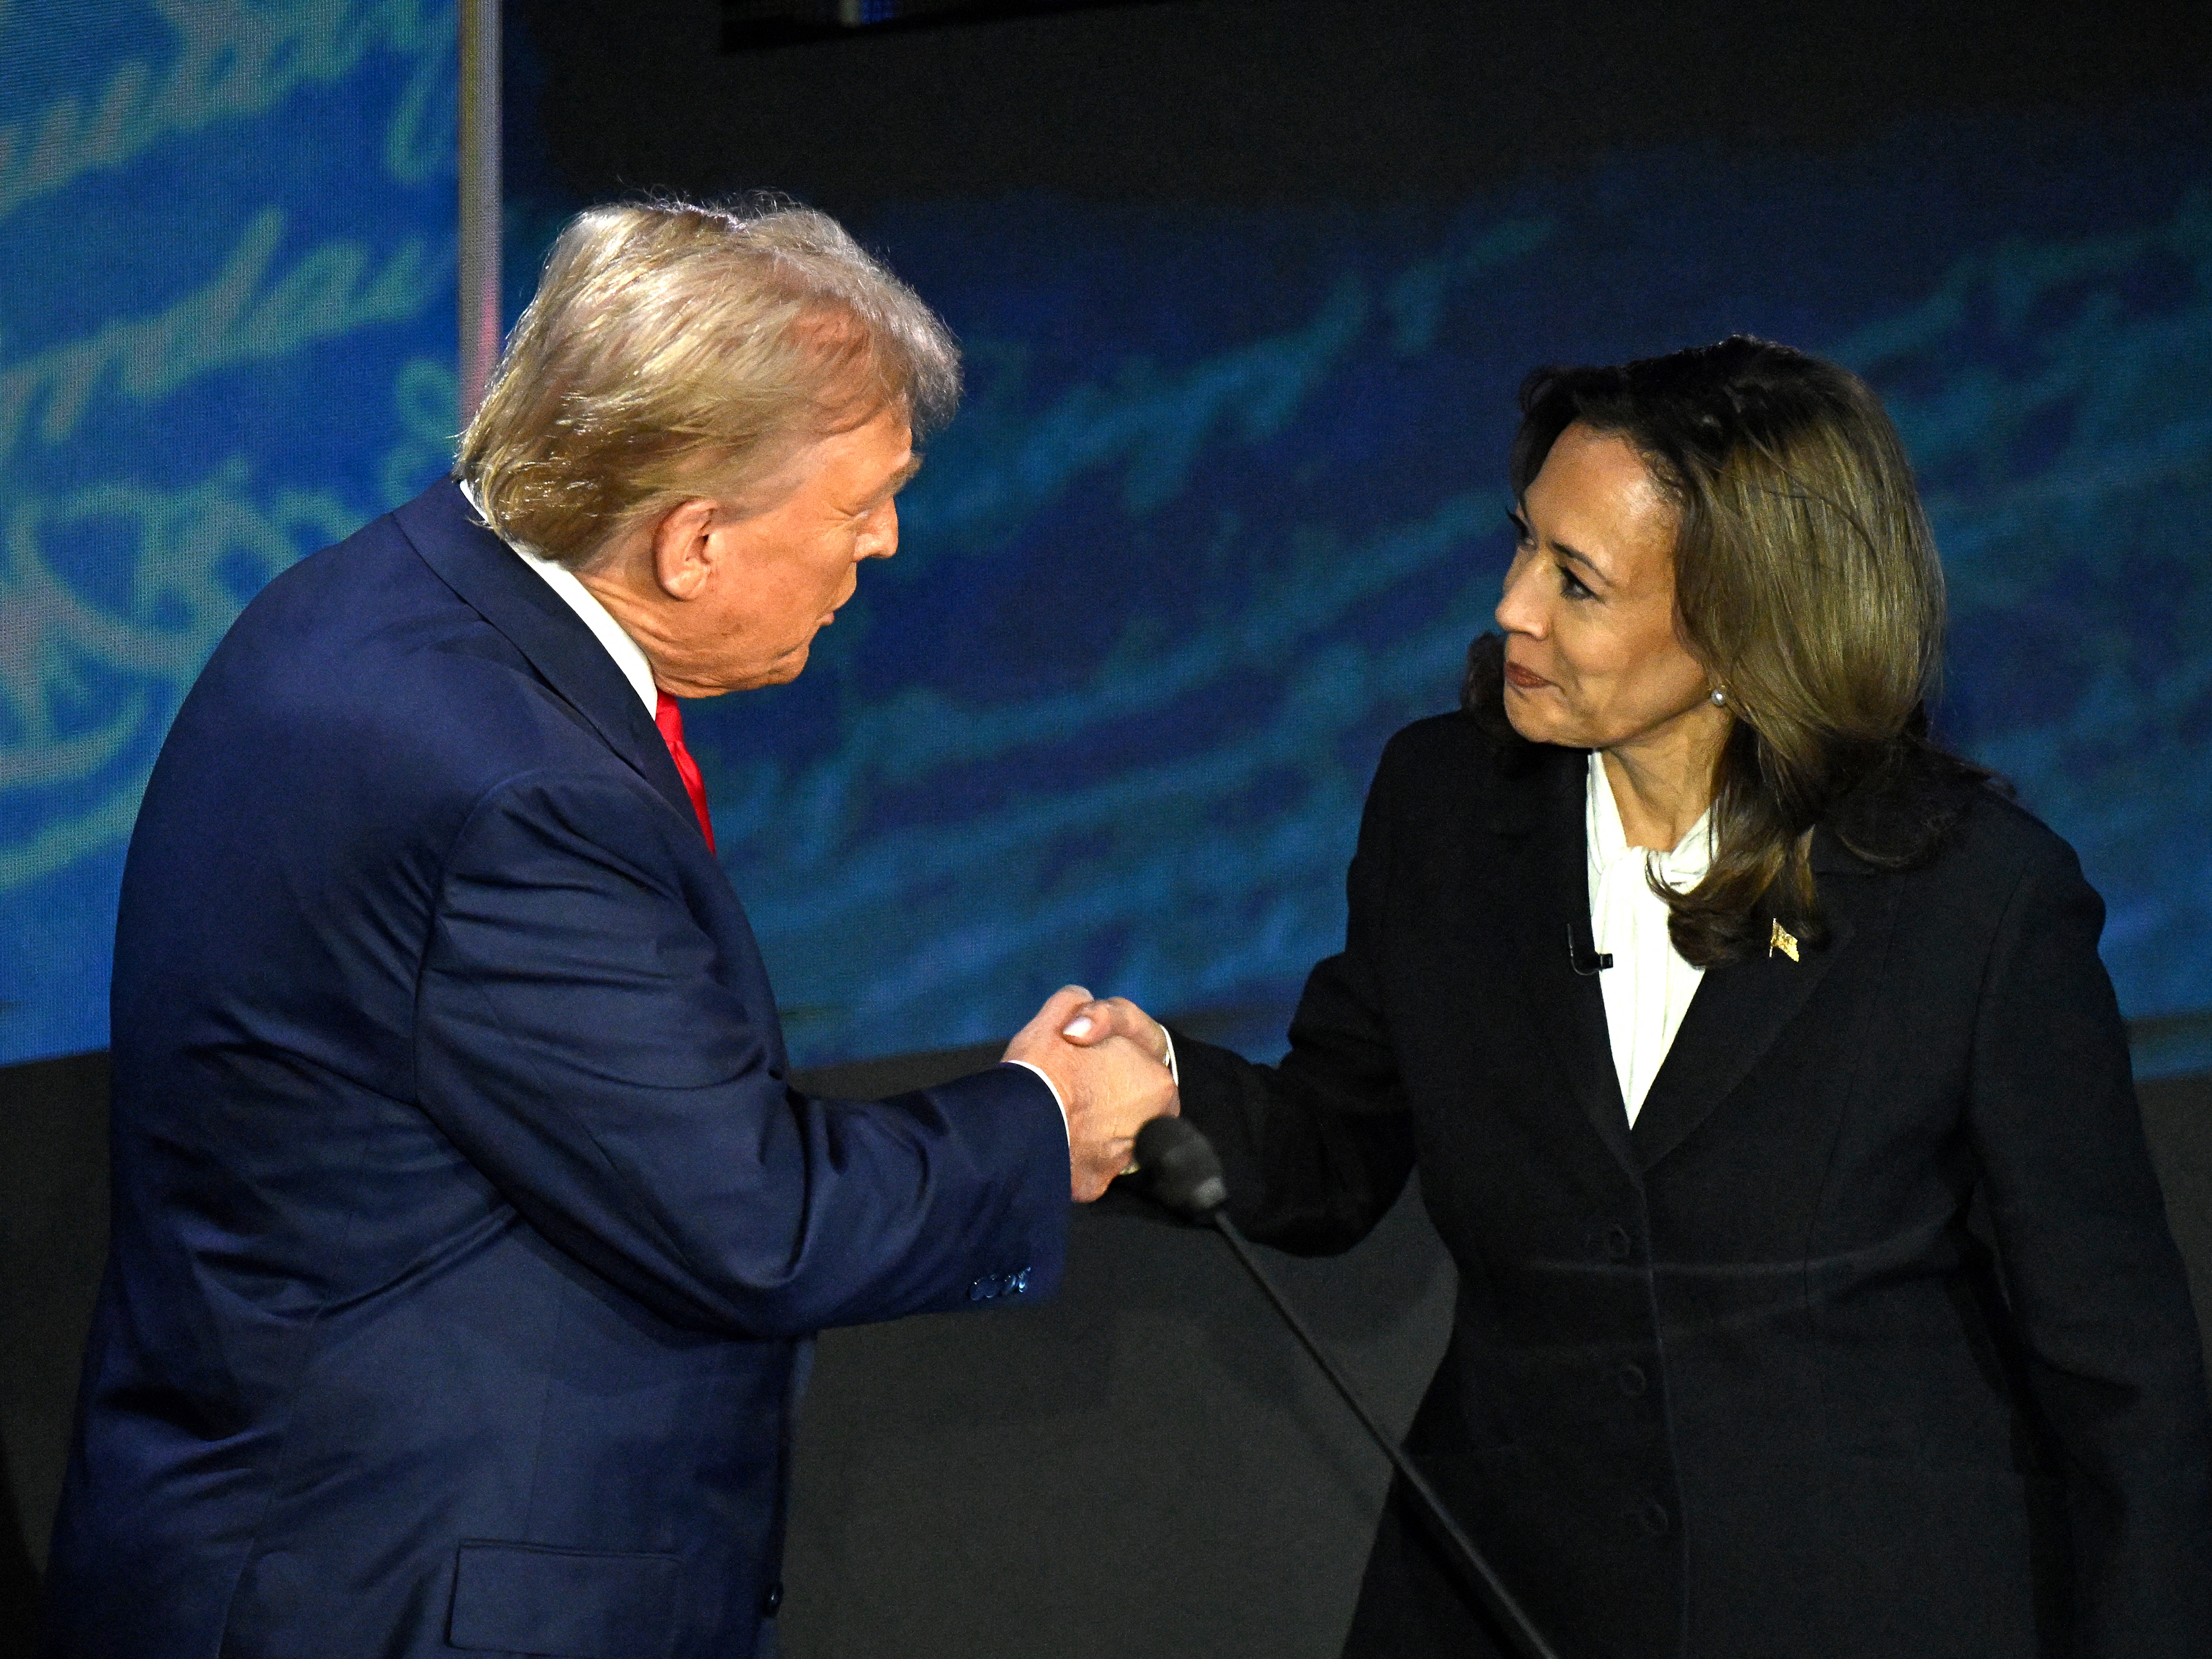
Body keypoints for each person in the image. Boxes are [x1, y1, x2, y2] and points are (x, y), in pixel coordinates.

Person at [41, 199, 1176, 1659]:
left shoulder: (387, 596)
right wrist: (1042, 1118)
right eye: (856, 508)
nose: (884, 545)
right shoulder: (514, 790)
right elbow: (754, 1222)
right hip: (407, 1591)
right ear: (694, 538)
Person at [1065, 336, 2212, 1656]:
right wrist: (1153, 1084)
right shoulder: (1446, 810)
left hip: (1867, 1604)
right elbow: (1333, 1150)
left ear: (1743, 620)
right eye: (1520, 549)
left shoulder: (1972, 900)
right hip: (1510, 1599)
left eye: (1576, 582)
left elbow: (2121, 1377)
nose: (1511, 609)